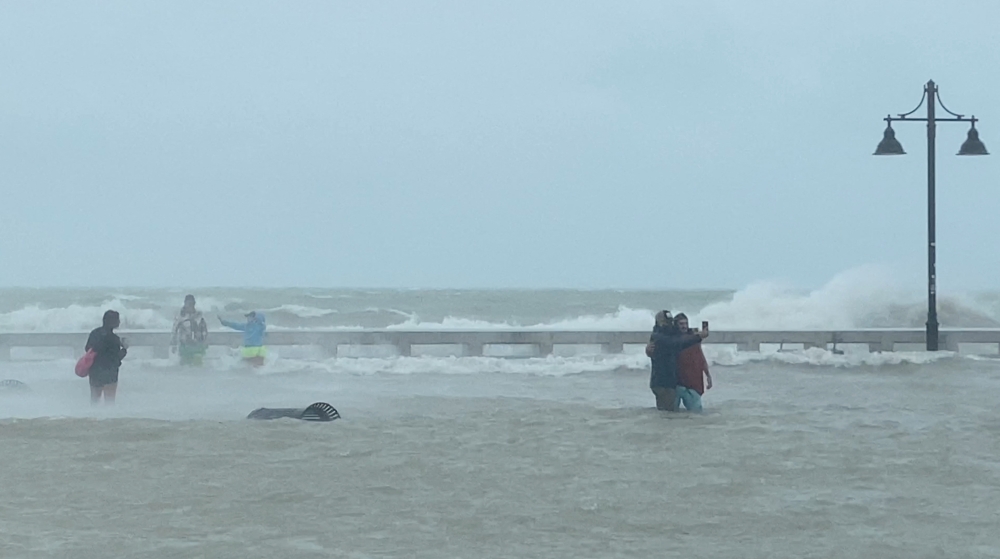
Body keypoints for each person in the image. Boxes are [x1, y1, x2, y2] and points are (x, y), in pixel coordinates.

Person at [645, 311, 707, 411]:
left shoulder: (669, 333)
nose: (669, 324)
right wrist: (698, 337)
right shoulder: (658, 336)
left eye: (670, 322)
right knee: (667, 414)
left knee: (670, 414)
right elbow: (676, 343)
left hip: (671, 382)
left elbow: (683, 334)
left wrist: (695, 333)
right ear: (659, 322)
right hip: (662, 382)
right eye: (666, 322)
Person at [85, 310, 128, 405]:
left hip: (95, 370)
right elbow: (116, 358)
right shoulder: (114, 339)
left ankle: (93, 417)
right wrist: (124, 349)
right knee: (110, 401)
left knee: (94, 400)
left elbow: (87, 349)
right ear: (112, 322)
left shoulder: (94, 333)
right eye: (117, 320)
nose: (119, 322)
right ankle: (107, 418)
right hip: (110, 372)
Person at [673, 313, 713, 412]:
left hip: (693, 383)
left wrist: (708, 375)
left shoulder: (694, 338)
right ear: (676, 325)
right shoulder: (672, 340)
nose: (684, 326)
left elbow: (700, 357)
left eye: (686, 323)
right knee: (671, 415)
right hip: (676, 383)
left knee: (696, 415)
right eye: (681, 324)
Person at [171, 295, 208, 366]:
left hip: (198, 344)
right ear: (185, 303)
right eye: (188, 304)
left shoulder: (199, 315)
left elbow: (204, 329)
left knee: (198, 364)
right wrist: (174, 344)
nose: (190, 306)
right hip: (184, 345)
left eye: (192, 304)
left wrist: (205, 340)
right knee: (185, 366)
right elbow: (174, 330)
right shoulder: (180, 316)